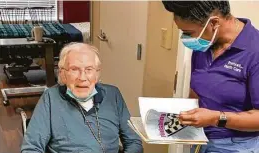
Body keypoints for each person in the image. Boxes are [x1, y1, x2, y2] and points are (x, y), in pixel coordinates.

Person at [162, 1, 259, 153]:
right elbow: (197, 91)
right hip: (202, 141)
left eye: (188, 32)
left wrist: (215, 118)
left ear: (213, 23)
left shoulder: (255, 51)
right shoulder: (205, 45)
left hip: (237, 146)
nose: (185, 38)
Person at [21, 43, 143, 153]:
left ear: (97, 74)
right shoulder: (50, 98)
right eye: (74, 69)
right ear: (63, 74)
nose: (82, 77)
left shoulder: (113, 95)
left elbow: (133, 141)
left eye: (89, 69)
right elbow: (31, 148)